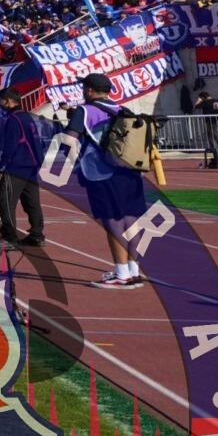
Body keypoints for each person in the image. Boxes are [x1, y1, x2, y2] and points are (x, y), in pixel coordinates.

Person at [71, 74, 150, 288]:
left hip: (101, 173)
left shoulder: (85, 111)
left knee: (112, 220)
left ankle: (121, 273)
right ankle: (133, 269)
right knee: (131, 220)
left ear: (89, 90)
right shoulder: (123, 110)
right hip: (130, 172)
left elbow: (69, 139)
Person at [0, 89, 46, 249]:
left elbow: (11, 144)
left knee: (5, 200)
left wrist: (2, 165)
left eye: (0, 101)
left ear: (7, 101)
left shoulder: (14, 119)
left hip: (17, 166)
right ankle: (36, 235)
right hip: (32, 165)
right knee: (31, 201)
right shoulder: (27, 117)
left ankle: (9, 237)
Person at [194, 82, 218, 169]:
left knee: (213, 137)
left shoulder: (206, 102)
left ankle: (217, 152)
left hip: (211, 122)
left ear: (203, 97)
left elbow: (196, 106)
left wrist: (199, 101)